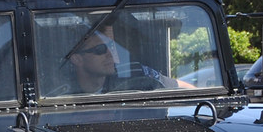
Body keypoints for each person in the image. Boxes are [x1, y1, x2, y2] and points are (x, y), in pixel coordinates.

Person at [65, 24, 195, 94]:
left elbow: (181, 86)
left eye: (111, 46)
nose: (110, 54)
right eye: (100, 49)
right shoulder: (59, 95)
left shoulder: (136, 72)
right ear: (77, 59)